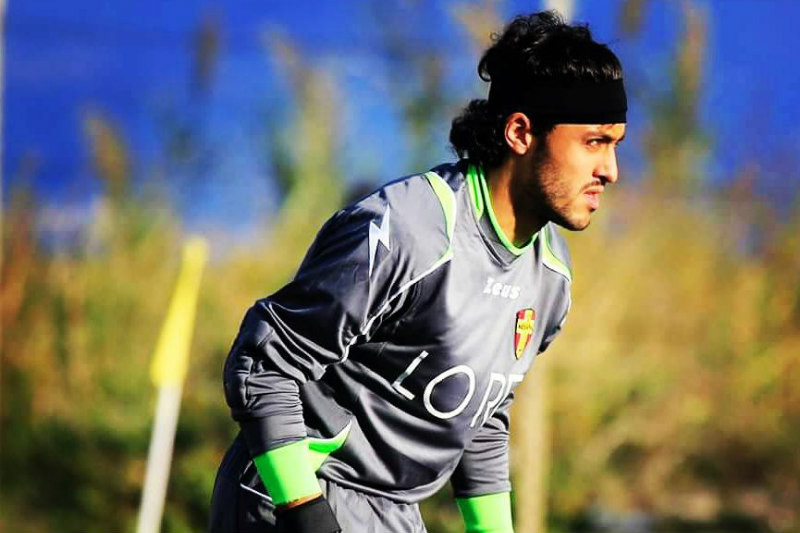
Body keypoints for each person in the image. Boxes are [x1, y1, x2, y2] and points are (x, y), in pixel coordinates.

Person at [210, 10, 627, 533]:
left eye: (616, 145)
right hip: (295, 494)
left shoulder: (551, 276)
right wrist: (303, 510)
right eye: (594, 142)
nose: (610, 171)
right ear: (521, 132)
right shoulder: (409, 230)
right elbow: (263, 363)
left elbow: (480, 420)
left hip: (395, 513)